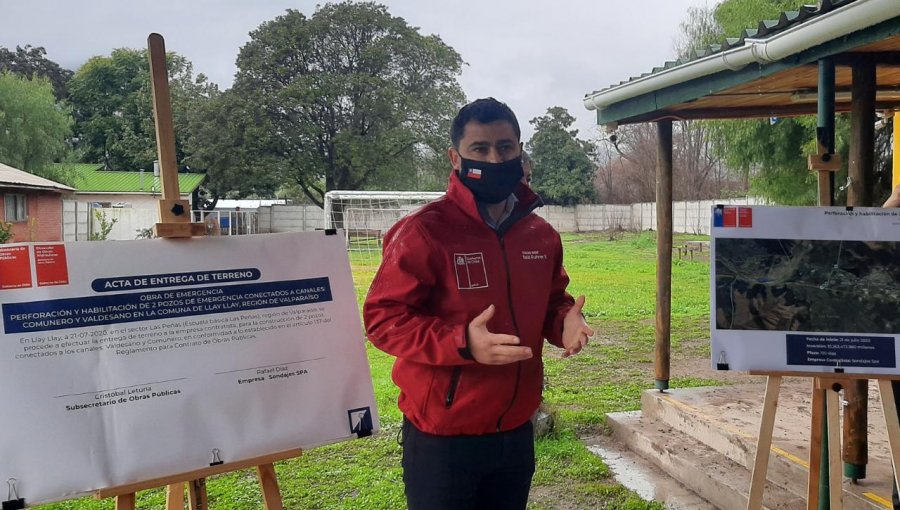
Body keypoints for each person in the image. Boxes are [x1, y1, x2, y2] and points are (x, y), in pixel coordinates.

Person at [363, 97, 594, 510]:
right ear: (455, 157)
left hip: (516, 431)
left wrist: (564, 323)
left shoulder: (540, 235)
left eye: (505, 148)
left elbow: (551, 303)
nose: (494, 157)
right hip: (443, 439)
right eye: (480, 150)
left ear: (520, 153)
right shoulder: (423, 232)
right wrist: (462, 342)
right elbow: (384, 320)